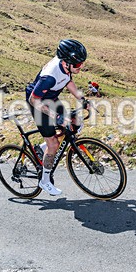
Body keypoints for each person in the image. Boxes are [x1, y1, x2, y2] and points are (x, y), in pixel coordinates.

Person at [26, 39, 88, 196]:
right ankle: (45, 180)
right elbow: (34, 100)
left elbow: (68, 82)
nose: (81, 67)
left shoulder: (66, 67)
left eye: (82, 63)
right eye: (78, 65)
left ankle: (41, 149)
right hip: (38, 102)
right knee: (53, 143)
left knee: (75, 123)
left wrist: (83, 100)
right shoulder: (50, 77)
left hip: (51, 98)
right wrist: (56, 117)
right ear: (67, 62)